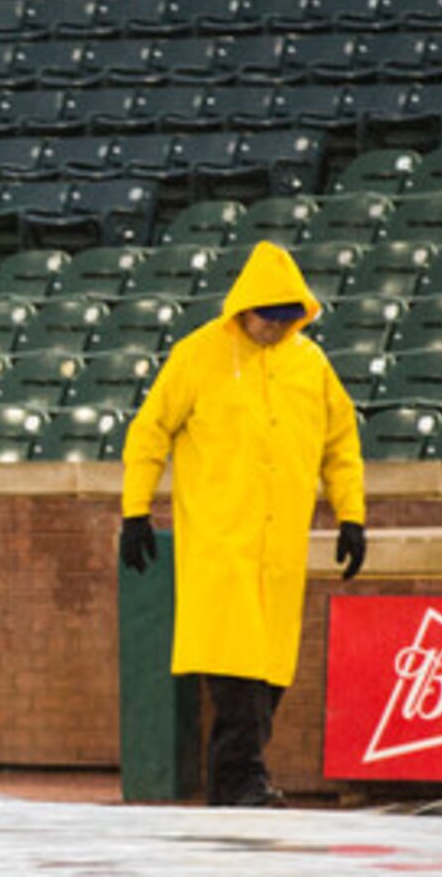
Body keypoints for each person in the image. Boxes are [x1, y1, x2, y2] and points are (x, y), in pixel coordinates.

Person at [116, 239, 368, 807]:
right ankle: (241, 780)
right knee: (234, 676)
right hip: (220, 545)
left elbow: (340, 445)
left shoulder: (311, 366)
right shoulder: (197, 356)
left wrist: (351, 514)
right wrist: (136, 509)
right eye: (265, 318)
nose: (274, 330)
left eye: (286, 320)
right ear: (243, 308)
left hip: (279, 551)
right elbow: (150, 431)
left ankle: (233, 784)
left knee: (270, 675)